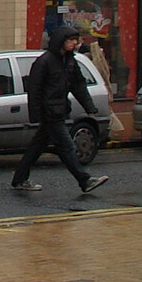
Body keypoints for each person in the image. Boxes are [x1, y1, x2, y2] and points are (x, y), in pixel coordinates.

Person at [12, 25, 109, 196]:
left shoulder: (70, 61)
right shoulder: (44, 62)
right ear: (61, 41)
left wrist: (89, 106)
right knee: (66, 146)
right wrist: (35, 114)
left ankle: (19, 178)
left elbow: (78, 85)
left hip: (60, 110)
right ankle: (84, 180)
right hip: (49, 112)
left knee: (37, 146)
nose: (74, 43)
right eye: (71, 40)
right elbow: (34, 90)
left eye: (75, 40)